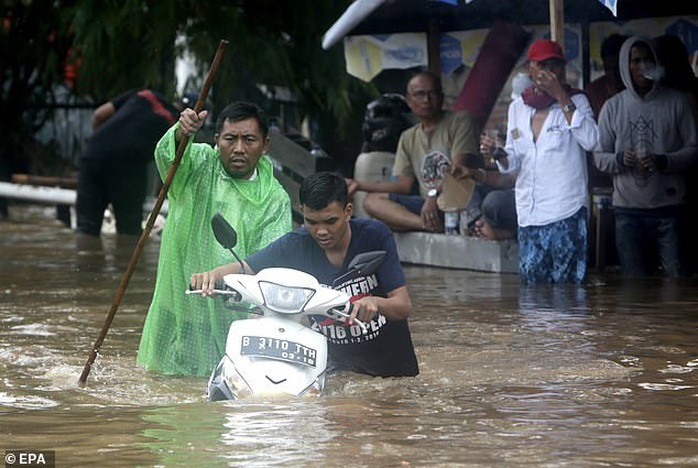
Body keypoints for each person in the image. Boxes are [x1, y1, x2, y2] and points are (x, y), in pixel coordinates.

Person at [191, 171, 419, 378]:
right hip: (335, 373)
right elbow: (245, 267)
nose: (321, 231)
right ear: (302, 213)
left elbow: (403, 305)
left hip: (392, 372)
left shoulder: (375, 236)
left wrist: (375, 302)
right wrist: (212, 275)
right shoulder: (295, 245)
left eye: (331, 221)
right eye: (312, 222)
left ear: (348, 211)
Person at [137, 101, 293, 377]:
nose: (239, 149)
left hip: (229, 316)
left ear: (265, 145)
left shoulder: (275, 199)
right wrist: (180, 133)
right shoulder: (199, 165)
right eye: (230, 139)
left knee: (219, 398)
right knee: (161, 394)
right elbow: (168, 157)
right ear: (217, 139)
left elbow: (272, 261)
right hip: (177, 304)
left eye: (249, 140)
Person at [483, 39, 598, 283]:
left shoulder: (577, 102)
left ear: (563, 69)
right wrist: (498, 153)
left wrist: (560, 96)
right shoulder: (517, 107)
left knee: (568, 290)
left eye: (555, 65)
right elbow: (514, 160)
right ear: (529, 69)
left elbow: (591, 141)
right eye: (542, 65)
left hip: (566, 212)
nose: (549, 71)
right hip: (529, 213)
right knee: (532, 292)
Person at [593, 36, 698, 277]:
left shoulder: (678, 102)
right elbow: (599, 157)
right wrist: (620, 160)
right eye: (635, 60)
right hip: (628, 212)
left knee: (676, 285)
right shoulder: (612, 107)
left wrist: (664, 160)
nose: (642, 66)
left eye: (647, 60)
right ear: (624, 66)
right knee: (634, 290)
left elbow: (694, 150)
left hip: (669, 209)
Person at [345, 70, 482, 233]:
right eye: (420, 94)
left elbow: (458, 171)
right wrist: (358, 184)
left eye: (432, 93)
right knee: (371, 202)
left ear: (442, 96)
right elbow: (403, 185)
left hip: (461, 200)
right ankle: (428, 226)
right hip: (428, 206)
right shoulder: (408, 136)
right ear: (409, 101)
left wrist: (433, 196)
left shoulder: (460, 121)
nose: (427, 100)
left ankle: (432, 223)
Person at [75, 89, 181, 235]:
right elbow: (168, 167)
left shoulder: (144, 94)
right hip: (128, 167)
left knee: (86, 231)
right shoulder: (178, 129)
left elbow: (99, 114)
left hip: (94, 153)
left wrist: (104, 146)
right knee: (129, 234)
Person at [585, 34, 628, 120]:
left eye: (617, 69)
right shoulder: (594, 91)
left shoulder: (639, 89)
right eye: (608, 69)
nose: (613, 74)